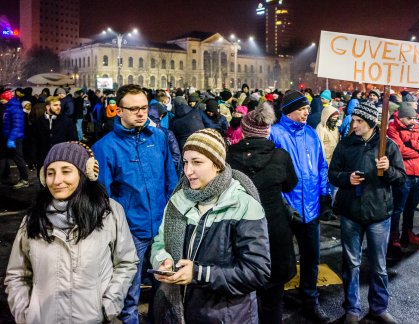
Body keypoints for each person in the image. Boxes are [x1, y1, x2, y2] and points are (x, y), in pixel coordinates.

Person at [4, 141, 139, 323]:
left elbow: (126, 263)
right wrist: (25, 314)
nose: (57, 180)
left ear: (84, 174)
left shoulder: (109, 213)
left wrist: (109, 306)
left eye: (66, 171)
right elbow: (17, 275)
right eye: (50, 173)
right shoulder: (33, 219)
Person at [150, 128, 271, 323]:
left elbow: (257, 271)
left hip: (228, 316)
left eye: (197, 162)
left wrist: (199, 274)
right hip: (183, 312)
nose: (188, 171)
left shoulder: (242, 204)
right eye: (186, 162)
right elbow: (160, 243)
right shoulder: (178, 199)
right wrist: (163, 261)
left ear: (217, 164)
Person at [92, 84, 178, 323]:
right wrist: (113, 234)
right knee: (129, 295)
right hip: (131, 234)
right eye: (133, 109)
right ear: (119, 111)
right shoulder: (105, 147)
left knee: (165, 291)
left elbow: (170, 179)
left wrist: (171, 218)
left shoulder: (159, 138)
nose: (141, 113)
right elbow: (102, 198)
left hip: (162, 228)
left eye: (144, 107)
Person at [328, 101, 406, 324]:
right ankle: (352, 308)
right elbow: (333, 173)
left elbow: (401, 178)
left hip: (378, 214)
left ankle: (379, 307)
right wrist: (346, 179)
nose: (354, 124)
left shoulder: (388, 146)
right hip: (351, 212)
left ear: (372, 123)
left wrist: (387, 169)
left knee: (379, 265)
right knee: (351, 264)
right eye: (353, 120)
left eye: (359, 121)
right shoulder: (345, 145)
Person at [227, 103, 297, 324]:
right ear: (267, 131)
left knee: (241, 298)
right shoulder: (280, 156)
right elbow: (290, 185)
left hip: (238, 231)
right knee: (273, 298)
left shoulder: (228, 157)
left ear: (244, 131)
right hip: (273, 230)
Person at [269, 90, 330, 322]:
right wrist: (280, 205)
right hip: (285, 210)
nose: (307, 112)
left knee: (311, 257)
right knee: (280, 259)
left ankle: (310, 300)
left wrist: (324, 196)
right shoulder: (274, 134)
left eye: (307, 109)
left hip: (311, 208)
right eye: (302, 109)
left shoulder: (311, 134)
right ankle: (275, 302)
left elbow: (321, 166)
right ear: (289, 110)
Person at [387, 103, 419, 250]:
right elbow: (398, 151)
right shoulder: (392, 129)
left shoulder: (415, 128)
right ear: (402, 118)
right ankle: (394, 236)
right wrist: (417, 152)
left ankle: (408, 233)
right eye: (410, 118)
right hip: (403, 174)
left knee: (411, 207)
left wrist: (413, 144)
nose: (414, 121)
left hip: (417, 174)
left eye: (415, 118)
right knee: (398, 207)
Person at [32, 96, 76, 177]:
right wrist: (33, 158)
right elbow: (34, 141)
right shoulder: (38, 122)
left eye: (59, 105)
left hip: (61, 157)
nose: (58, 107)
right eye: (55, 105)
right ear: (48, 106)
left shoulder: (67, 121)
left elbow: (72, 140)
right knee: (44, 181)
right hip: (43, 158)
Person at [0, 90, 30, 189]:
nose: (1, 101)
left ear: (7, 99)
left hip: (15, 139)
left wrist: (11, 139)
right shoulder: (8, 108)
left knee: (18, 159)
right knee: (3, 157)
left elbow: (17, 126)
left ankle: (25, 180)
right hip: (7, 137)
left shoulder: (15, 109)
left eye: (2, 99)